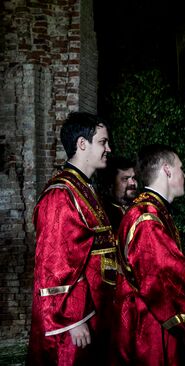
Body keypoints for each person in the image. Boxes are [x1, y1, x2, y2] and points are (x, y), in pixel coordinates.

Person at [111, 144, 185, 365]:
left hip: (152, 321)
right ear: (167, 170)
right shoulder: (147, 218)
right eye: (181, 168)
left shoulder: (154, 210)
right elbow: (167, 280)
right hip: (150, 330)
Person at [27, 111, 118, 365]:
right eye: (102, 142)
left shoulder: (83, 188)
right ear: (82, 144)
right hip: (75, 323)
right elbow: (54, 264)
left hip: (97, 311)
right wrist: (72, 319)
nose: (108, 149)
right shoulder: (61, 194)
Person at [99, 156, 138, 232]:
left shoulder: (142, 208)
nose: (132, 183)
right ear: (111, 183)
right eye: (125, 179)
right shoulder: (103, 214)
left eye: (134, 178)